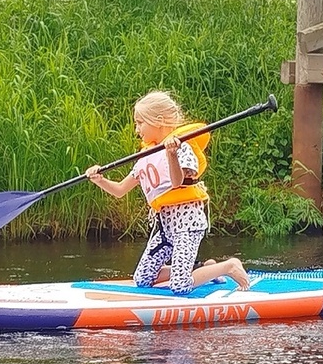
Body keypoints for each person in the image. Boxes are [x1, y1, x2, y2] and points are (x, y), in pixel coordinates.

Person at [85, 91, 250, 295]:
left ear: (159, 120)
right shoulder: (147, 155)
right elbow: (120, 190)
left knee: (180, 286)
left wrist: (172, 154)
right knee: (143, 279)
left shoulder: (183, 147)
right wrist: (99, 180)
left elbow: (177, 181)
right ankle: (203, 269)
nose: (137, 130)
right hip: (166, 227)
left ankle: (229, 266)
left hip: (187, 223)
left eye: (140, 123)